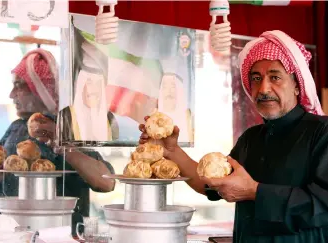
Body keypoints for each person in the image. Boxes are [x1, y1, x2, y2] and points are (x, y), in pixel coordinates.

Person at [139, 30, 328, 242]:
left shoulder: (322, 133)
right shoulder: (251, 138)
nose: (264, 88)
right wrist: (171, 151)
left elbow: (322, 206)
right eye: (256, 78)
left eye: (275, 77)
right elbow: (211, 184)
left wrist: (254, 192)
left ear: (296, 85)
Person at [0, 48, 116, 236]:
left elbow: (106, 183)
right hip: (18, 235)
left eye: (19, 85)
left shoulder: (68, 128)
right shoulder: (16, 129)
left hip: (65, 236)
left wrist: (62, 147)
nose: (11, 94)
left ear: (40, 88)